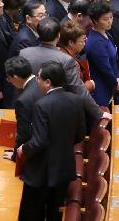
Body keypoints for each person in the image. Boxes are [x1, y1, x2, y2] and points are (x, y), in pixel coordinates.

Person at [17, 61, 86, 221]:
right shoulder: (76, 100)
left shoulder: (41, 105)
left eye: (39, 79)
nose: (37, 82)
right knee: (54, 212)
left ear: (48, 82)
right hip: (64, 168)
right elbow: (80, 135)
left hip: (41, 171)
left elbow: (39, 141)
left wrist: (23, 149)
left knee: (32, 213)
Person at [85, 0, 119, 105]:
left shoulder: (106, 34)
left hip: (111, 82)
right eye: (105, 19)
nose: (110, 21)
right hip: (102, 88)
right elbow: (106, 69)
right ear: (95, 21)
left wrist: (118, 77)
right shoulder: (96, 42)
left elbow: (114, 61)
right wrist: (116, 83)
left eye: (111, 17)